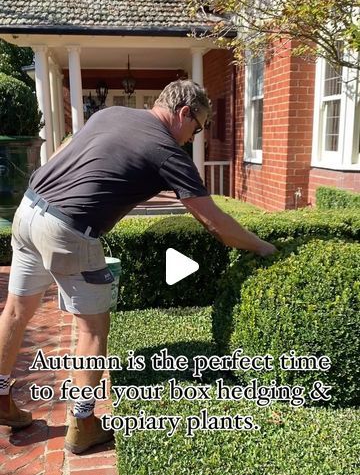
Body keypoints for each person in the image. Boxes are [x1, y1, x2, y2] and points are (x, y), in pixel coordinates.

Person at [0, 79, 276, 454]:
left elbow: (68, 147)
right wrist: (263, 247)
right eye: (197, 128)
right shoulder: (167, 152)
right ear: (183, 113)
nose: (193, 138)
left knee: (16, 310)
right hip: (68, 230)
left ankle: (0, 396)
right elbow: (217, 225)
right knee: (93, 329)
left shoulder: (112, 113)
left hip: (29, 209)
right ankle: (83, 424)